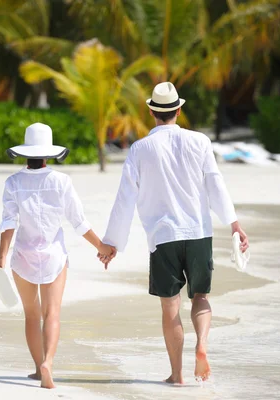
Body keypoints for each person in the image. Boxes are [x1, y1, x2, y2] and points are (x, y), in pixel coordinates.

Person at [101, 82, 249, 384]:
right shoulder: (200, 142)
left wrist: (112, 243)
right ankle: (203, 345)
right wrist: (233, 222)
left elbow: (125, 198)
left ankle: (177, 375)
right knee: (200, 297)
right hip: (198, 233)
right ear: (179, 110)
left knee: (170, 308)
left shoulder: (140, 149)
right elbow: (215, 184)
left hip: (162, 238)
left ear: (152, 112)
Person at [0, 122, 115, 389]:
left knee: (31, 315)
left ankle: (38, 369)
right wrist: (102, 248)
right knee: (52, 314)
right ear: (49, 153)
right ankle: (48, 362)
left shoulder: (13, 182)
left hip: (23, 256)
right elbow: (79, 223)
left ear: (26, 152)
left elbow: (8, 223)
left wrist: (1, 260)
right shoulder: (61, 181)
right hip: (53, 256)